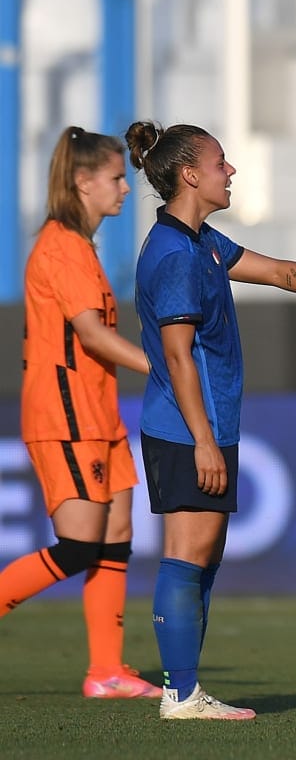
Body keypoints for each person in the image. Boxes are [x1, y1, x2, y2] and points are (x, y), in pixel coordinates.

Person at [125, 120, 296, 721]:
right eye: (220, 162)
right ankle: (182, 694)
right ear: (190, 175)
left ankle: (185, 689)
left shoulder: (203, 243)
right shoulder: (174, 255)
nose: (231, 170)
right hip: (184, 428)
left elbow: (280, 273)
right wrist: (202, 442)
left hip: (208, 427)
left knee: (206, 554)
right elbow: (175, 355)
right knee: (188, 553)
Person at [0, 126, 159, 699]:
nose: (124, 188)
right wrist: (160, 366)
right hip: (65, 416)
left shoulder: (81, 246)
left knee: (116, 539)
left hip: (99, 414)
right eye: (116, 178)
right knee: (78, 547)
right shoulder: (62, 247)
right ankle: (105, 670)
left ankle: (106, 672)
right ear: (82, 181)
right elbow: (91, 336)